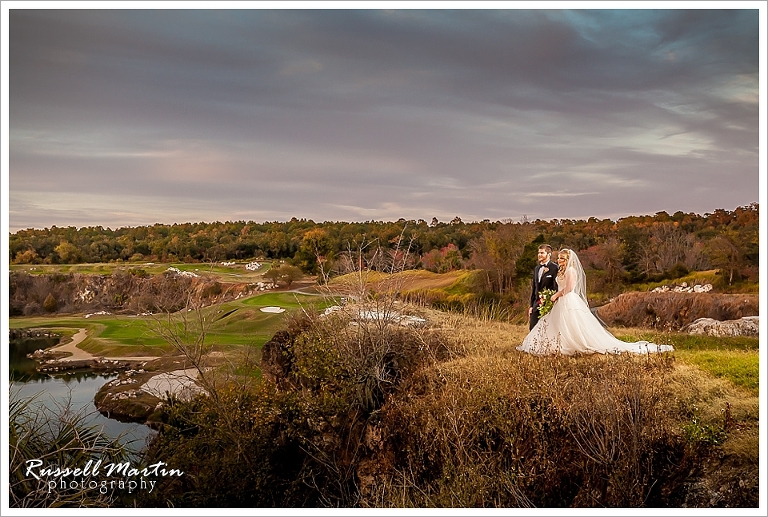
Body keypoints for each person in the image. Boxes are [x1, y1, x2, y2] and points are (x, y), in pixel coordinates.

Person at [517, 248, 674, 356]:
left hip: (568, 300)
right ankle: (553, 345)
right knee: (555, 324)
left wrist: (556, 295)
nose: (559, 260)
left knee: (571, 324)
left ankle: (574, 344)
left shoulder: (571, 271)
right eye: (558, 258)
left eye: (562, 258)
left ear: (568, 259)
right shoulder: (560, 270)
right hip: (560, 301)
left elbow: (570, 288)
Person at [528, 244, 559, 330]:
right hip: (536, 304)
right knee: (533, 328)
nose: (539, 255)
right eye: (538, 253)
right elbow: (534, 288)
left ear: (548, 254)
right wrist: (531, 306)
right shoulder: (537, 268)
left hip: (549, 304)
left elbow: (556, 287)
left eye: (542, 253)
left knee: (547, 329)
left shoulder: (555, 268)